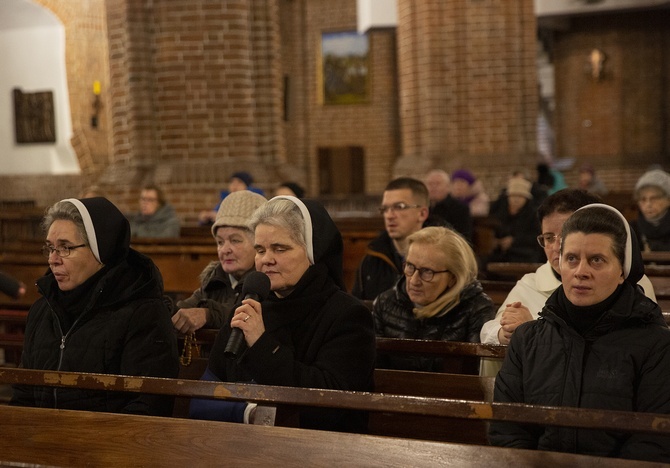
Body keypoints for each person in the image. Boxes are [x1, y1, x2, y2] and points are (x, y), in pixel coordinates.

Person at [489, 204, 670, 462]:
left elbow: (655, 441)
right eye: (572, 258)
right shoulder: (527, 340)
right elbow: (507, 430)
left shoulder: (657, 345)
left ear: (622, 272)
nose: (580, 272)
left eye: (596, 260)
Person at [190, 196, 376, 432]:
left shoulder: (348, 316)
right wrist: (248, 413)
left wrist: (261, 344)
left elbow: (331, 408)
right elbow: (202, 400)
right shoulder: (249, 305)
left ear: (312, 253)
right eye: (260, 249)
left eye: (280, 248)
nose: (266, 259)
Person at [11, 197, 179, 415]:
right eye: (50, 248)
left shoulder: (144, 314)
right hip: (42, 442)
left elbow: (148, 405)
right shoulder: (42, 310)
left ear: (102, 250)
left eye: (65, 248)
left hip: (109, 445)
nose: (53, 259)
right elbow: (24, 394)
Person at [480, 189, 657, 376]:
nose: (557, 247)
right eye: (548, 238)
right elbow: (490, 331)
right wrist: (505, 332)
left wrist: (532, 334)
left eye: (565, 234)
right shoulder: (531, 284)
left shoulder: (633, 285)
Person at [373, 226, 494, 372]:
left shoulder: (477, 309)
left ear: (453, 278)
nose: (414, 280)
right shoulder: (385, 303)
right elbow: (375, 370)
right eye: (410, 266)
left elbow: (477, 377)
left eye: (427, 271)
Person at [172, 190, 267, 334]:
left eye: (235, 240)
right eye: (220, 242)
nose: (224, 250)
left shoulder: (268, 281)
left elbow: (247, 316)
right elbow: (183, 310)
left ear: (259, 244)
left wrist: (208, 314)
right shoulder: (215, 279)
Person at [351, 177, 429, 301]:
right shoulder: (372, 258)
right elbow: (358, 308)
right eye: (385, 209)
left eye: (399, 207)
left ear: (422, 214)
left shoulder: (440, 257)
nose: (389, 215)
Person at [487, 178, 543, 266]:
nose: (516, 199)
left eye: (520, 196)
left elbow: (536, 237)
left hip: (523, 253)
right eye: (513, 196)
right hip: (500, 253)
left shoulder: (533, 214)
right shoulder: (499, 212)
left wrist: (514, 241)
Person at [198, 171, 265, 224]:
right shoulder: (225, 202)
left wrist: (220, 218)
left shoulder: (254, 202)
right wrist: (205, 217)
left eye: (239, 182)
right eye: (232, 182)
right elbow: (215, 213)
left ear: (247, 186)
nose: (234, 185)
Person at [424, 169, 472, 241]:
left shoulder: (460, 208)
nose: (433, 187)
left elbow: (463, 236)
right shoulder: (422, 207)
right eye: (430, 184)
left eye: (438, 184)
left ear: (448, 187)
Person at [633, 168, 670, 251]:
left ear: (668, 200)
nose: (648, 204)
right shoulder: (632, 230)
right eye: (643, 199)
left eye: (654, 198)